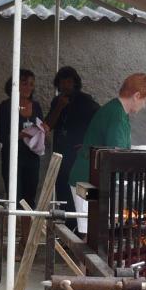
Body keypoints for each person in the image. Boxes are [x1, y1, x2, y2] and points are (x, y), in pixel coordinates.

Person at [67, 73, 146, 235]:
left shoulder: (117, 111)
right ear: (137, 96)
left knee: (92, 228)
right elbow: (116, 154)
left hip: (88, 177)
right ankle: (83, 260)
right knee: (91, 231)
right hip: (87, 180)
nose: (144, 106)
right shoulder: (116, 115)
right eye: (145, 101)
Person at [44, 65, 99, 217]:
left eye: (69, 82)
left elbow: (99, 123)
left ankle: (79, 226)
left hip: (77, 154)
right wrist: (59, 107)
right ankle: (65, 226)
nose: (65, 86)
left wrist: (89, 144)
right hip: (60, 153)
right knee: (61, 189)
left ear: (75, 83)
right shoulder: (57, 101)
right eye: (62, 82)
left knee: (78, 191)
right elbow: (48, 125)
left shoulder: (86, 101)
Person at [0, 68, 44, 209]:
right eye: (24, 83)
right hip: (13, 157)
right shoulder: (6, 106)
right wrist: (21, 135)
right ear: (15, 84)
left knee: (29, 199)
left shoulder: (36, 106)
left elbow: (41, 126)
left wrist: (42, 130)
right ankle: (13, 230)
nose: (28, 87)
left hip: (32, 157)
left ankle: (26, 231)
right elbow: (2, 135)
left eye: (31, 84)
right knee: (14, 197)